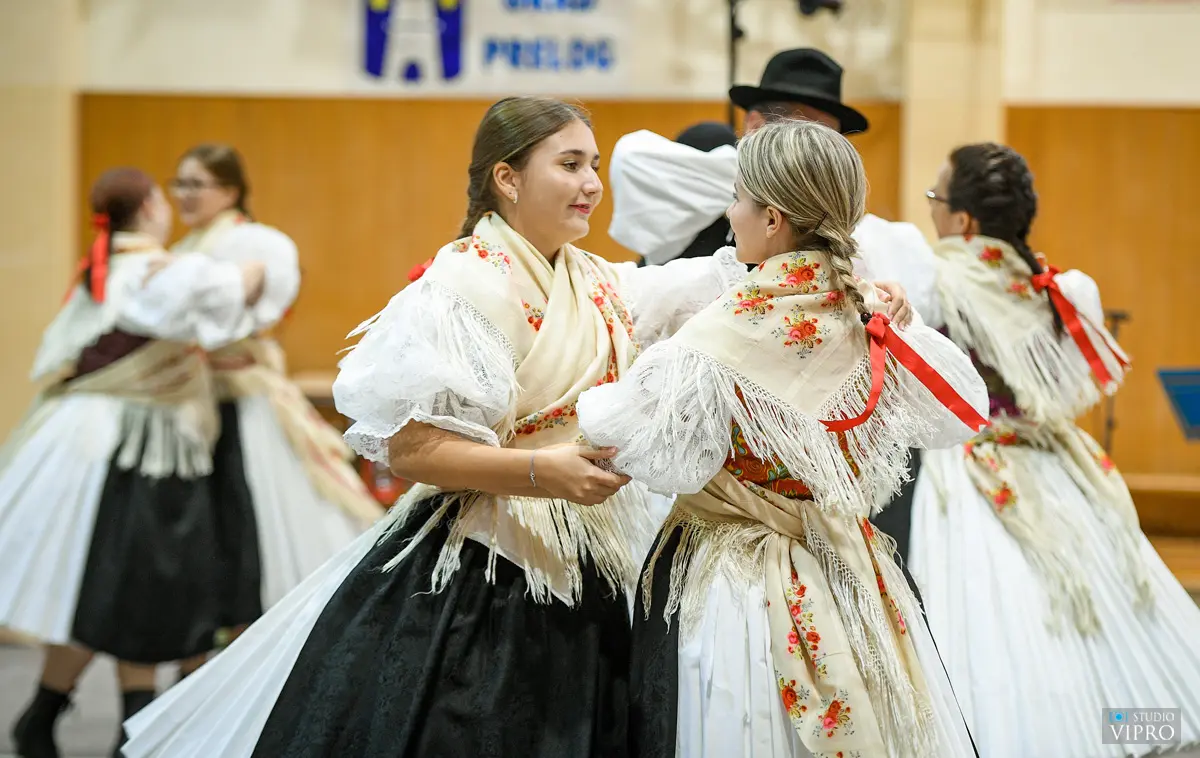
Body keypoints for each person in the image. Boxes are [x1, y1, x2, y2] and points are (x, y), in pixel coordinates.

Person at [119, 96, 757, 758]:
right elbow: (412, 449)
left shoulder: (594, 279)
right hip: (489, 566)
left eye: (593, 165)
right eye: (570, 164)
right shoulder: (463, 286)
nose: (593, 184)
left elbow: (688, 292)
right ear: (507, 179)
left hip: (586, 553)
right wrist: (544, 471)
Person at [577, 119, 989, 758]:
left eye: (738, 196)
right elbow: (961, 408)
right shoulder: (863, 310)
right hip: (845, 563)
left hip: (736, 580)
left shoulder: (726, 329)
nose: (728, 210)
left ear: (771, 219)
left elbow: (619, 430)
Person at [909, 143, 1200, 756]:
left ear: (963, 221)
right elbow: (1064, 389)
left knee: (1001, 622)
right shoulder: (1047, 282)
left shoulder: (938, 278)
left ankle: (1031, 741)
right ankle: (1127, 731)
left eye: (937, 199)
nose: (932, 212)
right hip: (1049, 460)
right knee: (1099, 608)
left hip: (972, 466)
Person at [0, 168, 269, 757]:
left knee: (94, 586)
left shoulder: (104, 267)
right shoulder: (158, 272)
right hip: (137, 452)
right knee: (141, 587)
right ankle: (132, 732)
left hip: (90, 446)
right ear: (150, 206)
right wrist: (255, 263)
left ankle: (47, 717)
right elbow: (244, 291)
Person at [164, 144, 379, 657]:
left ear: (231, 191)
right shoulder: (184, 247)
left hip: (243, 404)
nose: (185, 196)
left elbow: (247, 316)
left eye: (198, 184)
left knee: (249, 531)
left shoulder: (258, 243)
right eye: (180, 184)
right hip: (190, 405)